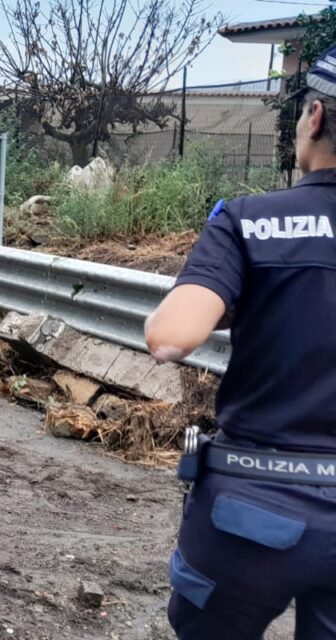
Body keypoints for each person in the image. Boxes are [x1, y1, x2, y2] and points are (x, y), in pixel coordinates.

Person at [146, 46, 336, 639]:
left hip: (254, 514)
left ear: (315, 117)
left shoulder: (252, 221)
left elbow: (171, 338)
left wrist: (253, 296)